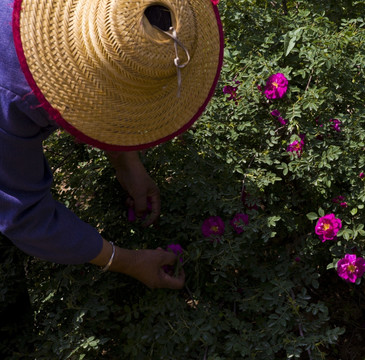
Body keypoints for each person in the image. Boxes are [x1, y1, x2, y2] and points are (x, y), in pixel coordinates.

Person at [0, 0, 223, 349]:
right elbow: (24, 214)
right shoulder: (11, 98)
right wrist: (127, 261)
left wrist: (127, 163)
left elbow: (104, 66)